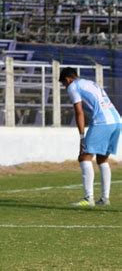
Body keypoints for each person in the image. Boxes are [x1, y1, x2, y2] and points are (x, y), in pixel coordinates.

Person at [59, 67, 121, 207]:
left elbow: (79, 112)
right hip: (116, 121)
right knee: (102, 159)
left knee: (84, 157)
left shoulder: (73, 86)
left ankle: (88, 199)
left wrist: (82, 136)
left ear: (68, 79)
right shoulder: (90, 83)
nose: (65, 86)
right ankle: (105, 199)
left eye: (64, 83)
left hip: (102, 122)